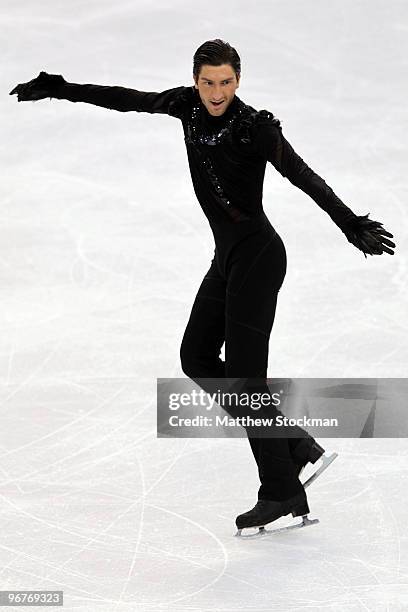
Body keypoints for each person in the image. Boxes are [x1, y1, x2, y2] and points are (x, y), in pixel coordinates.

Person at [9, 39, 395, 535]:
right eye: (208, 82)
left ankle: (280, 489)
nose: (216, 93)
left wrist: (348, 223)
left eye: (226, 82)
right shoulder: (185, 106)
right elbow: (127, 97)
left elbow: (302, 175)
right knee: (196, 358)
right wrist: (63, 89)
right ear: (196, 80)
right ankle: (295, 445)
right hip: (227, 258)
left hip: (258, 257)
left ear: (239, 81)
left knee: (245, 379)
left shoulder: (254, 127)